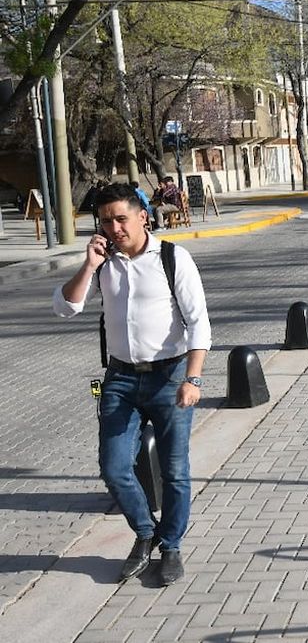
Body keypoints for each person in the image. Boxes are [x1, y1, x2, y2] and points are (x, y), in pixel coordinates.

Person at [53, 182, 211, 586]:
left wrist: (193, 378)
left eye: (121, 218)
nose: (114, 227)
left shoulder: (173, 258)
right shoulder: (103, 262)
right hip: (119, 378)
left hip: (171, 375)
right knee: (114, 467)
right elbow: (66, 308)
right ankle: (145, 533)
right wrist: (88, 265)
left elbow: (199, 324)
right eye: (106, 221)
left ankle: (171, 546)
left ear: (142, 216)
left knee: (174, 472)